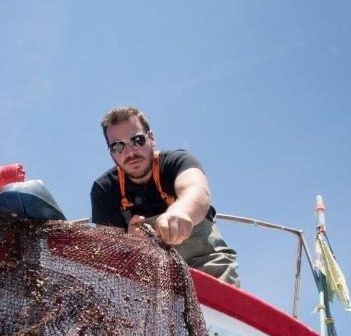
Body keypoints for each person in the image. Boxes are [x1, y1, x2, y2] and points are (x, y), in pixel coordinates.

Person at [90, 106, 240, 286]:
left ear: (151, 138)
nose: (130, 153)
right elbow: (110, 256)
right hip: (150, 286)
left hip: (209, 273)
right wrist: (130, 245)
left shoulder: (178, 162)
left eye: (137, 140)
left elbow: (197, 189)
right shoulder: (105, 189)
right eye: (118, 146)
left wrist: (181, 213)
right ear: (111, 152)